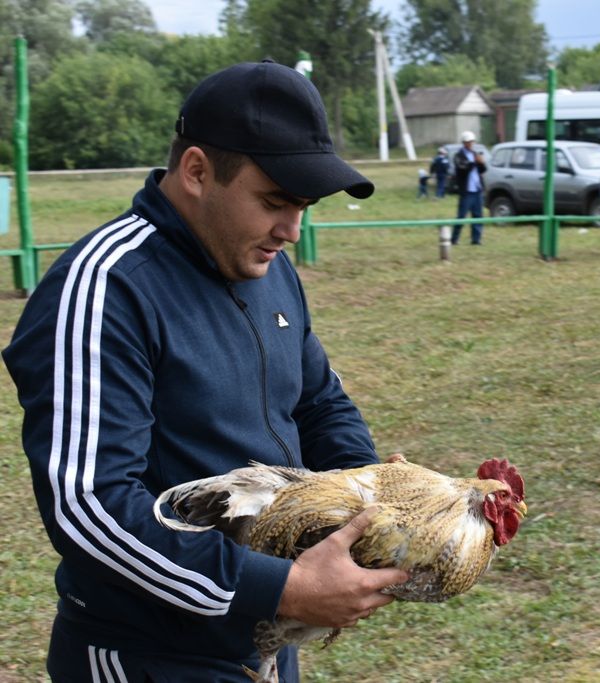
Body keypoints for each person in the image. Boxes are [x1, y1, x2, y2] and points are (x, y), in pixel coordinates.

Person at [2, 61, 410, 682]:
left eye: (302, 206)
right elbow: (90, 508)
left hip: (262, 639)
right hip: (151, 655)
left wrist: (366, 496)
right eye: (274, 202)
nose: (291, 231)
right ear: (196, 172)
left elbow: (316, 402)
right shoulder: (106, 288)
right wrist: (281, 588)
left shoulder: (268, 268)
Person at [451, 130, 486, 245]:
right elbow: (463, 169)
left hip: (477, 190)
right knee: (461, 216)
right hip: (466, 192)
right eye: (468, 142)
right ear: (464, 143)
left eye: (472, 141)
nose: (471, 144)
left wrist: (481, 163)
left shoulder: (475, 154)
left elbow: (483, 170)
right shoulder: (458, 156)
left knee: (478, 216)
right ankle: (454, 239)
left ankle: (476, 239)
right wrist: (475, 162)